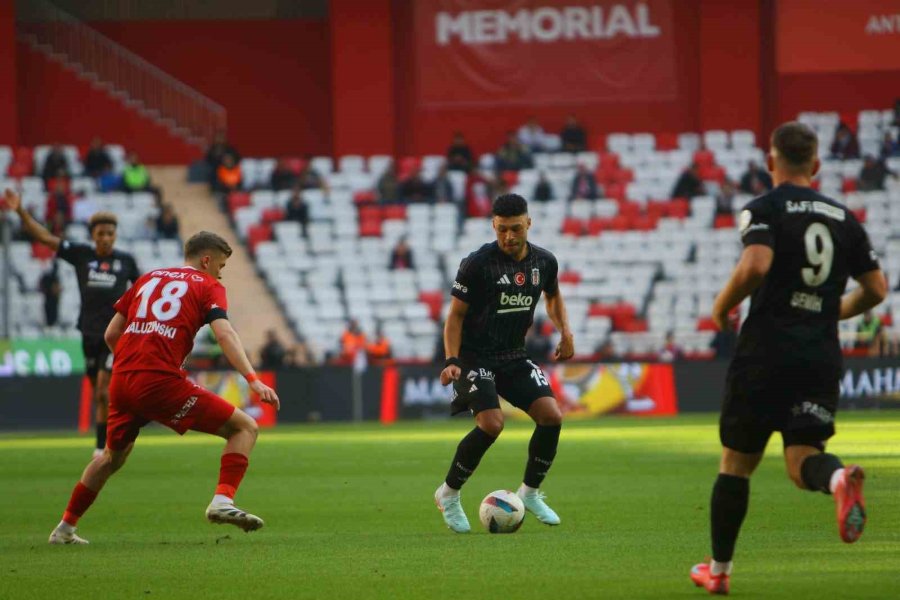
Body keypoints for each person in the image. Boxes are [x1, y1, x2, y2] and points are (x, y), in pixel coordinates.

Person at [689, 122, 886, 594]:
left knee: (736, 464)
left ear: (771, 162)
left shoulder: (764, 207)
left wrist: (721, 307)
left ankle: (718, 573)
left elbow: (756, 264)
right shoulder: (845, 217)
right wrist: (833, 310)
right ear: (816, 166)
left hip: (765, 352)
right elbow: (876, 289)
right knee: (804, 463)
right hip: (819, 355)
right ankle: (838, 479)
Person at [46, 231, 280, 544]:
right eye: (220, 265)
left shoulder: (147, 279)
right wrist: (252, 379)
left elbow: (111, 334)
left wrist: (136, 361)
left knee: (110, 458)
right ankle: (222, 501)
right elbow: (224, 334)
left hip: (123, 379)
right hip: (158, 382)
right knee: (245, 428)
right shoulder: (209, 285)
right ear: (206, 259)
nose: (221, 272)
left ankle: (64, 529)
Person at [435, 193, 574, 533]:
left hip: (513, 354)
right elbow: (454, 317)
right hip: (474, 356)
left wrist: (565, 331)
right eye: (501, 230)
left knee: (551, 416)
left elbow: (553, 296)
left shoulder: (544, 262)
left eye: (515, 229)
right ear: (493, 226)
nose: (509, 237)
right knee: (492, 424)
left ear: (529, 223)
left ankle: (529, 491)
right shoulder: (477, 264)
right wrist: (452, 360)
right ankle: (448, 493)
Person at [4, 189, 141, 456]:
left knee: (103, 390)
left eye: (109, 234)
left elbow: (142, 291)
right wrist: (21, 211)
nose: (105, 238)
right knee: (98, 393)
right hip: (87, 333)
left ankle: (105, 446)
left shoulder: (125, 262)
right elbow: (45, 237)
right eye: (100, 233)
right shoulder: (81, 255)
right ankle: (103, 442)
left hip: (114, 336)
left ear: (115, 235)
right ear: (93, 235)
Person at [39, 261, 62, 329]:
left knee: (53, 312)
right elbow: (42, 286)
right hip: (49, 297)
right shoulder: (48, 277)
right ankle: (49, 324)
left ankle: (52, 324)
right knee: (49, 312)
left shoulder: (56, 277)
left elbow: (57, 289)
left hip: (53, 298)